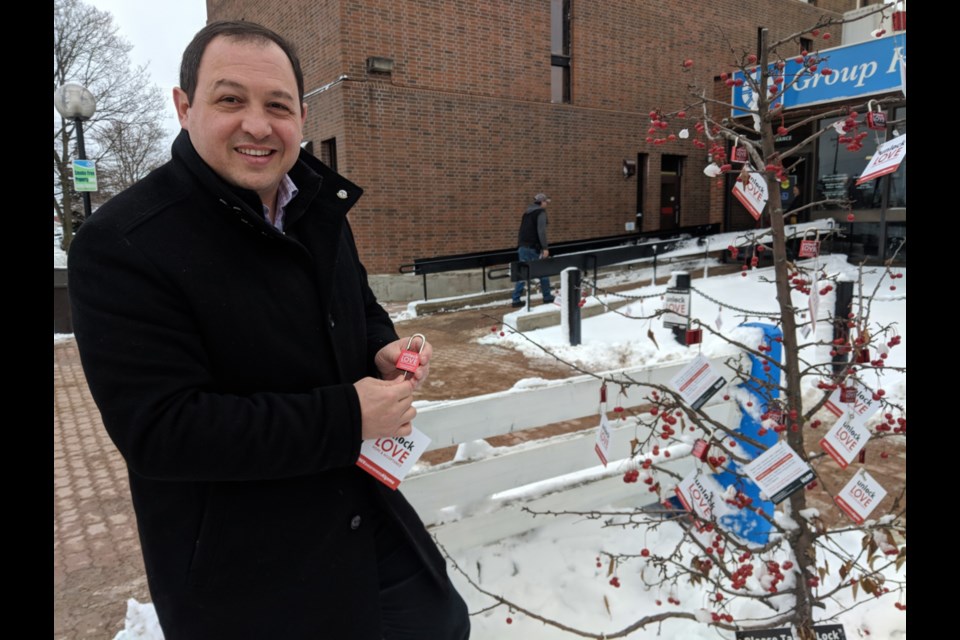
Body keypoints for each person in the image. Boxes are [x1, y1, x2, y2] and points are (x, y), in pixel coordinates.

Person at [68, 21, 470, 639]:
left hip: (361, 517)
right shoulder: (123, 244)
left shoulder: (316, 206)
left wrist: (380, 347)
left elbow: (356, 303)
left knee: (442, 624)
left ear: (301, 117)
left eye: (277, 105)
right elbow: (161, 431)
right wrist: (346, 418)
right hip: (244, 572)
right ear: (184, 107)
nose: (258, 125)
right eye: (231, 100)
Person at [511, 193, 556, 307]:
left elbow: (521, 231)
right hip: (533, 247)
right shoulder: (540, 213)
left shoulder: (526, 213)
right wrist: (545, 248)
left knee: (522, 273)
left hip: (522, 247)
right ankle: (547, 297)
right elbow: (541, 231)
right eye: (546, 202)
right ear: (541, 202)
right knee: (543, 271)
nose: (546, 204)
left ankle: (515, 299)